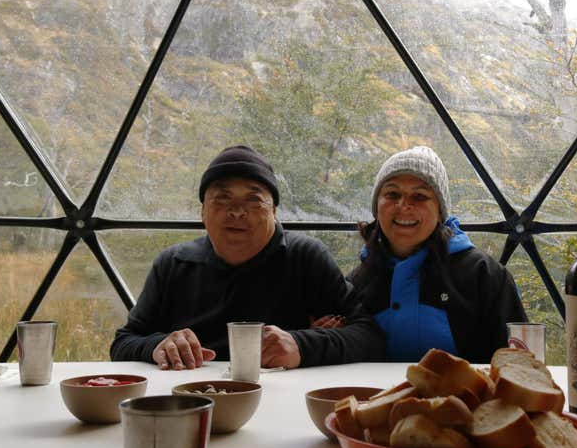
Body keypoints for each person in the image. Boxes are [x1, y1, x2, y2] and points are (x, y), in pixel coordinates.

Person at [110, 145, 385, 370]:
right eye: (222, 198)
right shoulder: (174, 263)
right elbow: (123, 342)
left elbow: (368, 335)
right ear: (202, 212)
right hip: (192, 395)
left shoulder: (305, 257)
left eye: (254, 200)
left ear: (274, 211)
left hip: (282, 398)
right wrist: (158, 346)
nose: (237, 212)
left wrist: (301, 345)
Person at [347, 145, 527, 363]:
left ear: (440, 211)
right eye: (392, 193)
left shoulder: (485, 276)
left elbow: (518, 366)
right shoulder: (355, 284)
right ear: (377, 206)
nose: (404, 205)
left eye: (420, 196)